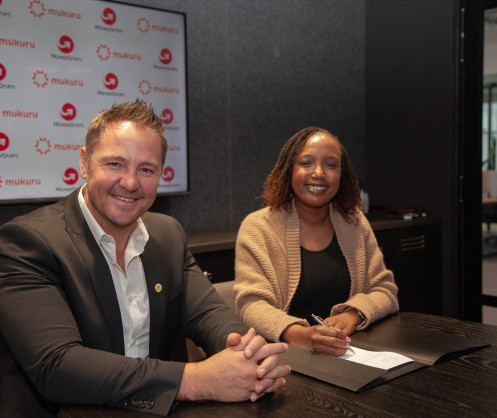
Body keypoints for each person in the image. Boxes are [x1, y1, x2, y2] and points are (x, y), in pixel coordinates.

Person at [0, 99, 290, 417]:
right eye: (115, 164)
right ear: (84, 163)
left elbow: (208, 313)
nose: (130, 182)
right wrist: (196, 380)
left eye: (146, 169)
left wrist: (248, 354)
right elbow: (57, 366)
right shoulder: (27, 242)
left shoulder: (167, 234)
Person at [234, 127, 399, 356]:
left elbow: (385, 290)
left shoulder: (353, 222)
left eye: (331, 165)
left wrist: (353, 314)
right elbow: (251, 305)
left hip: (352, 354)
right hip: (286, 358)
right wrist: (299, 335)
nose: (319, 173)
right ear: (289, 170)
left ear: (342, 174)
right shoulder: (258, 227)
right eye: (306, 163)